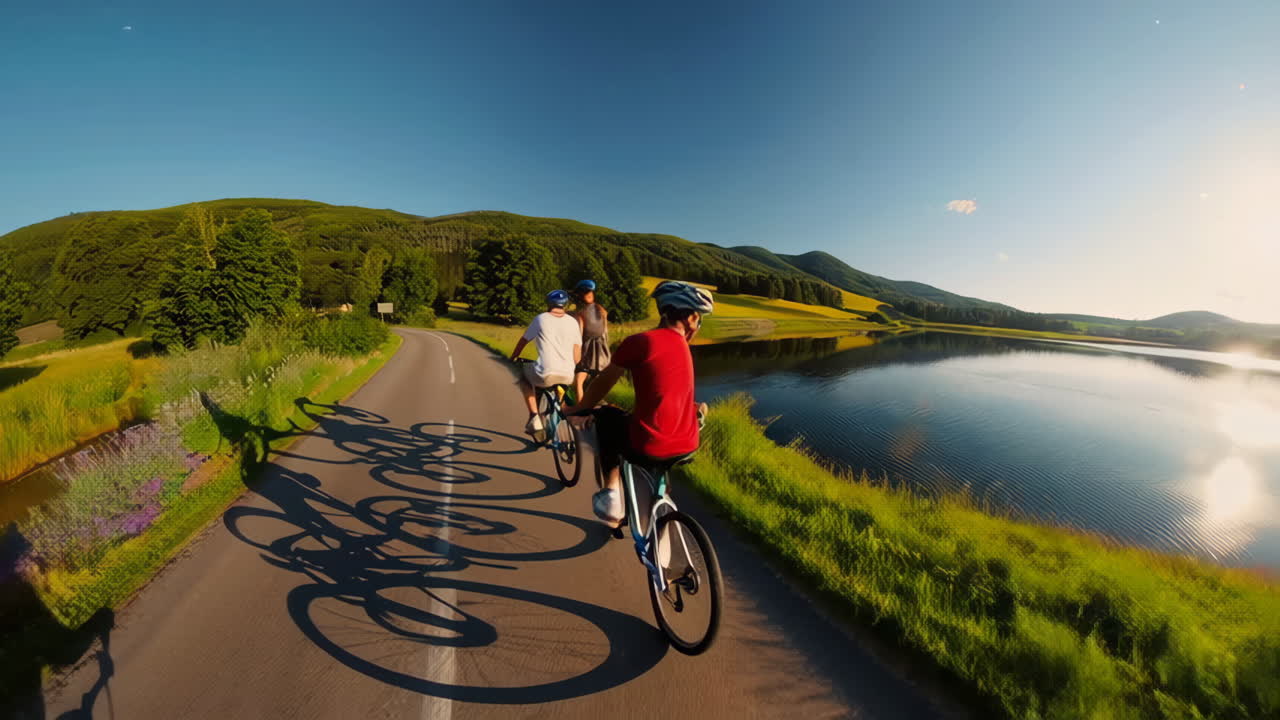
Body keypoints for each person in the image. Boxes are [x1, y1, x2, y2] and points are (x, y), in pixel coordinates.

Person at [563, 281, 712, 526]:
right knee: (660, 442)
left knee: (607, 416)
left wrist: (579, 408)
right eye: (699, 320)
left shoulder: (640, 341)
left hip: (649, 443)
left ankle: (612, 495)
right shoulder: (684, 347)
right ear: (692, 317)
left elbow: (603, 382)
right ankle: (661, 510)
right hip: (688, 443)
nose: (699, 326)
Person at [510, 289, 582, 438]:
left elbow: (524, 341)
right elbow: (577, 356)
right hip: (568, 374)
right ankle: (556, 408)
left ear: (548, 303)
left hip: (546, 372)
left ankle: (534, 416)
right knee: (559, 383)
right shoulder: (573, 322)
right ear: (565, 305)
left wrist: (514, 357)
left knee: (524, 379)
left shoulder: (541, 319)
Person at [572, 279, 611, 403]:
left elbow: (587, 333)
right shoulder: (596, 310)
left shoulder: (587, 312)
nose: (589, 294)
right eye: (586, 292)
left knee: (581, 382)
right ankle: (584, 407)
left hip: (593, 356)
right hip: (596, 356)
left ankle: (582, 408)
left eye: (589, 292)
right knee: (582, 382)